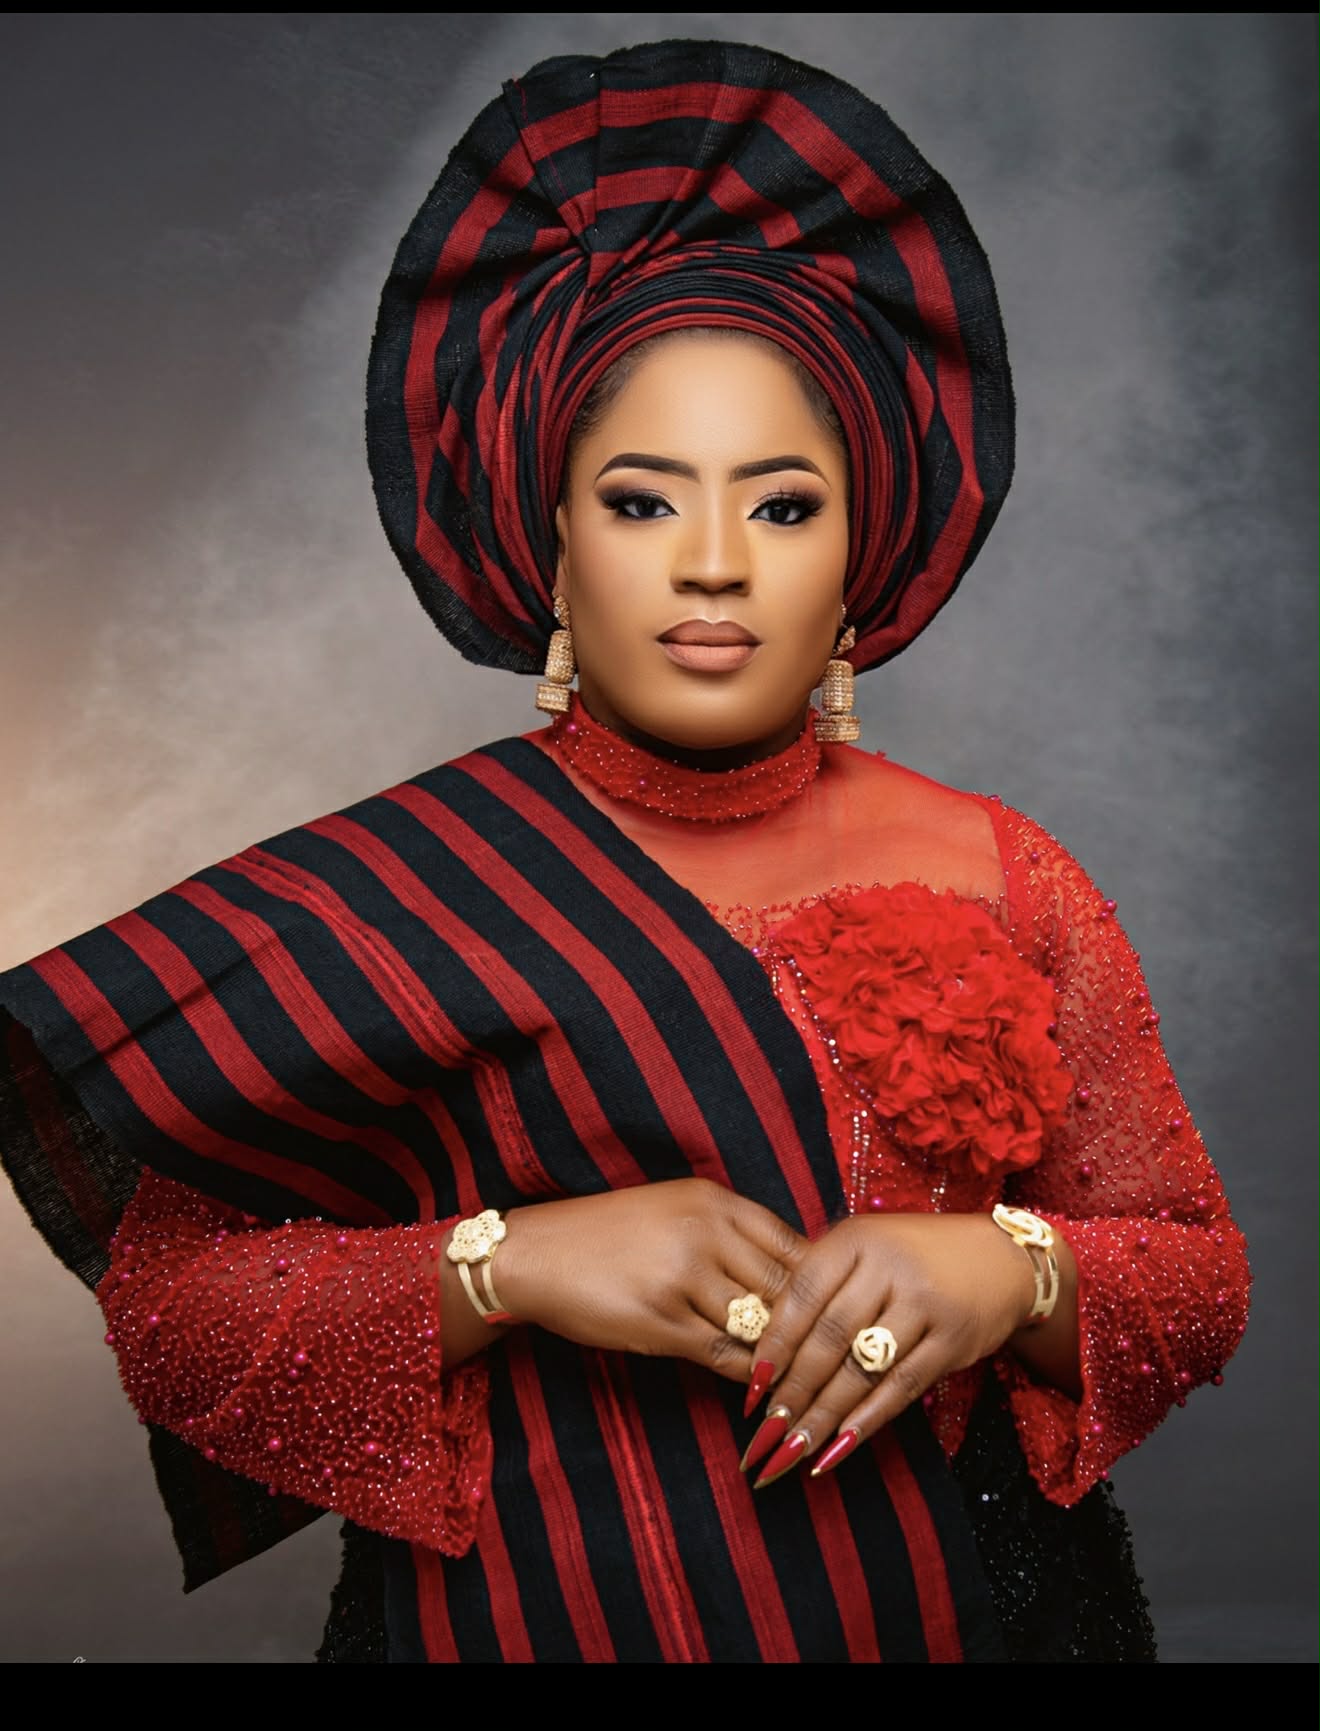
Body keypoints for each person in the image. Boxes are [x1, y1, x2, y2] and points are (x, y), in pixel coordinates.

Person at [0, 39, 1249, 1663]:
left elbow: (1192, 1278)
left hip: (976, 1607)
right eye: (643, 502)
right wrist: (504, 1265)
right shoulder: (394, 893)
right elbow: (179, 1320)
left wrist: (1008, 1274)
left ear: (862, 548)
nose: (714, 564)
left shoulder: (1006, 869)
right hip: (525, 1616)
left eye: (783, 507)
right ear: (553, 539)